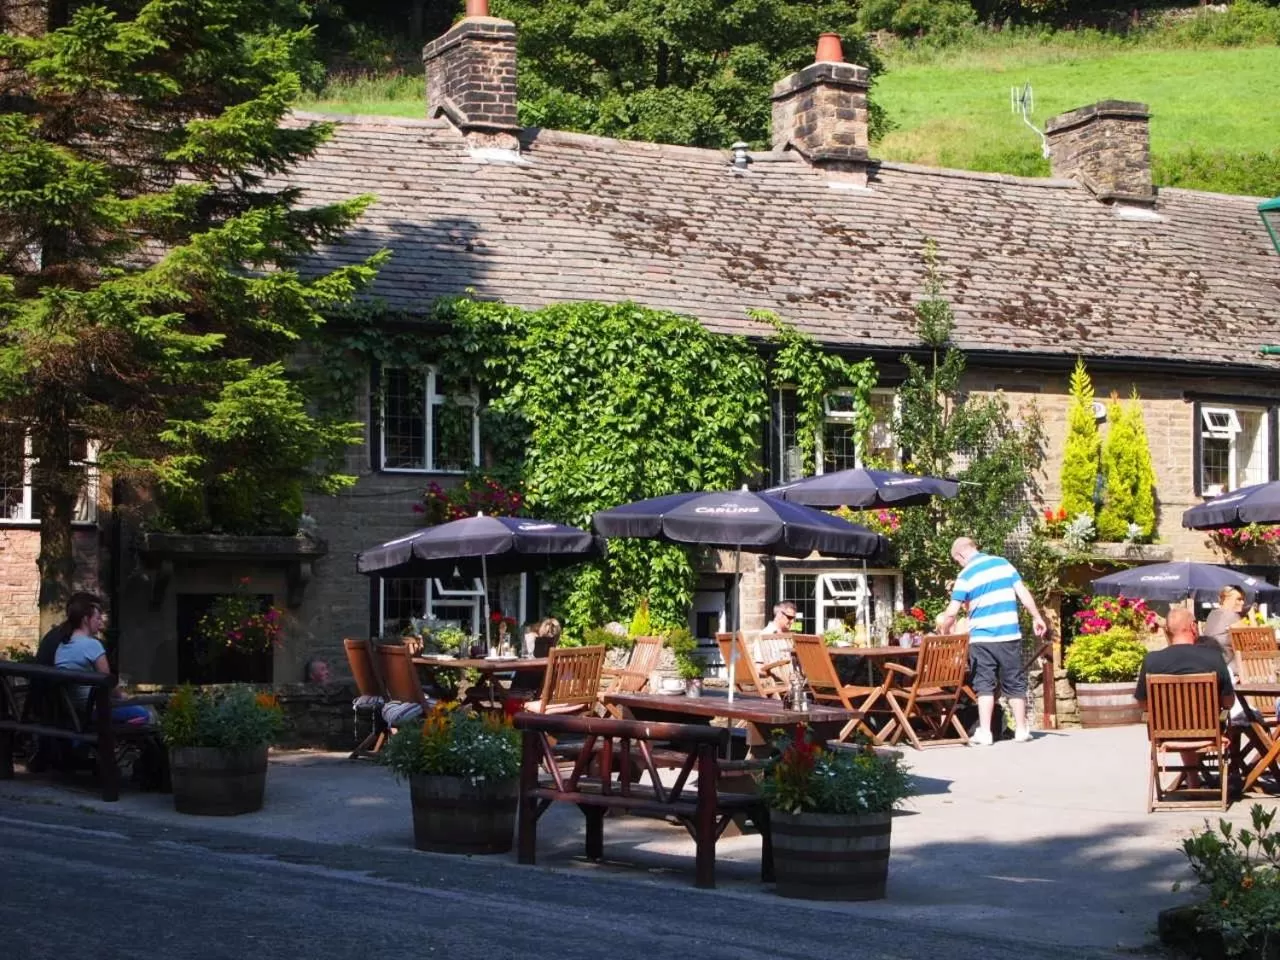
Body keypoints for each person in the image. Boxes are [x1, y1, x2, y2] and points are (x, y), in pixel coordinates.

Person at [935, 537, 1047, 746]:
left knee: (984, 684)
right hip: (1008, 634)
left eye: (957, 561)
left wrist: (945, 630)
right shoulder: (1003, 563)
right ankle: (1022, 730)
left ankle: (985, 733)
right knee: (1014, 681)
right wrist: (1037, 617)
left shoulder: (965, 574)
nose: (959, 564)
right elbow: (1023, 593)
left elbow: (952, 610)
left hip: (981, 638)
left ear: (960, 555)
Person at [1134, 608, 1235, 788]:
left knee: (1180, 720)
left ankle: (1193, 781)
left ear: (1167, 631)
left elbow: (1143, 703)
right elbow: (1228, 702)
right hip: (1210, 733)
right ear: (1193, 627)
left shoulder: (1151, 660)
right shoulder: (1213, 657)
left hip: (1166, 735)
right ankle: (1229, 779)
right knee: (1228, 720)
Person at [52, 594, 151, 724]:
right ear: (86, 620)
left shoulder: (62, 646)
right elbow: (108, 683)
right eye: (97, 618)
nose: (100, 622)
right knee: (145, 714)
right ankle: (114, 740)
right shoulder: (92, 645)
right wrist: (124, 696)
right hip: (94, 710)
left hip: (74, 712)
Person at [1199, 586, 1246, 667]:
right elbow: (1247, 641)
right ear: (1226, 599)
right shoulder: (1233, 616)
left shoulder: (1212, 614)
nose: (1242, 603)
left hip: (1208, 659)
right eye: (1239, 599)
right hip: (1226, 663)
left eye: (1243, 599)